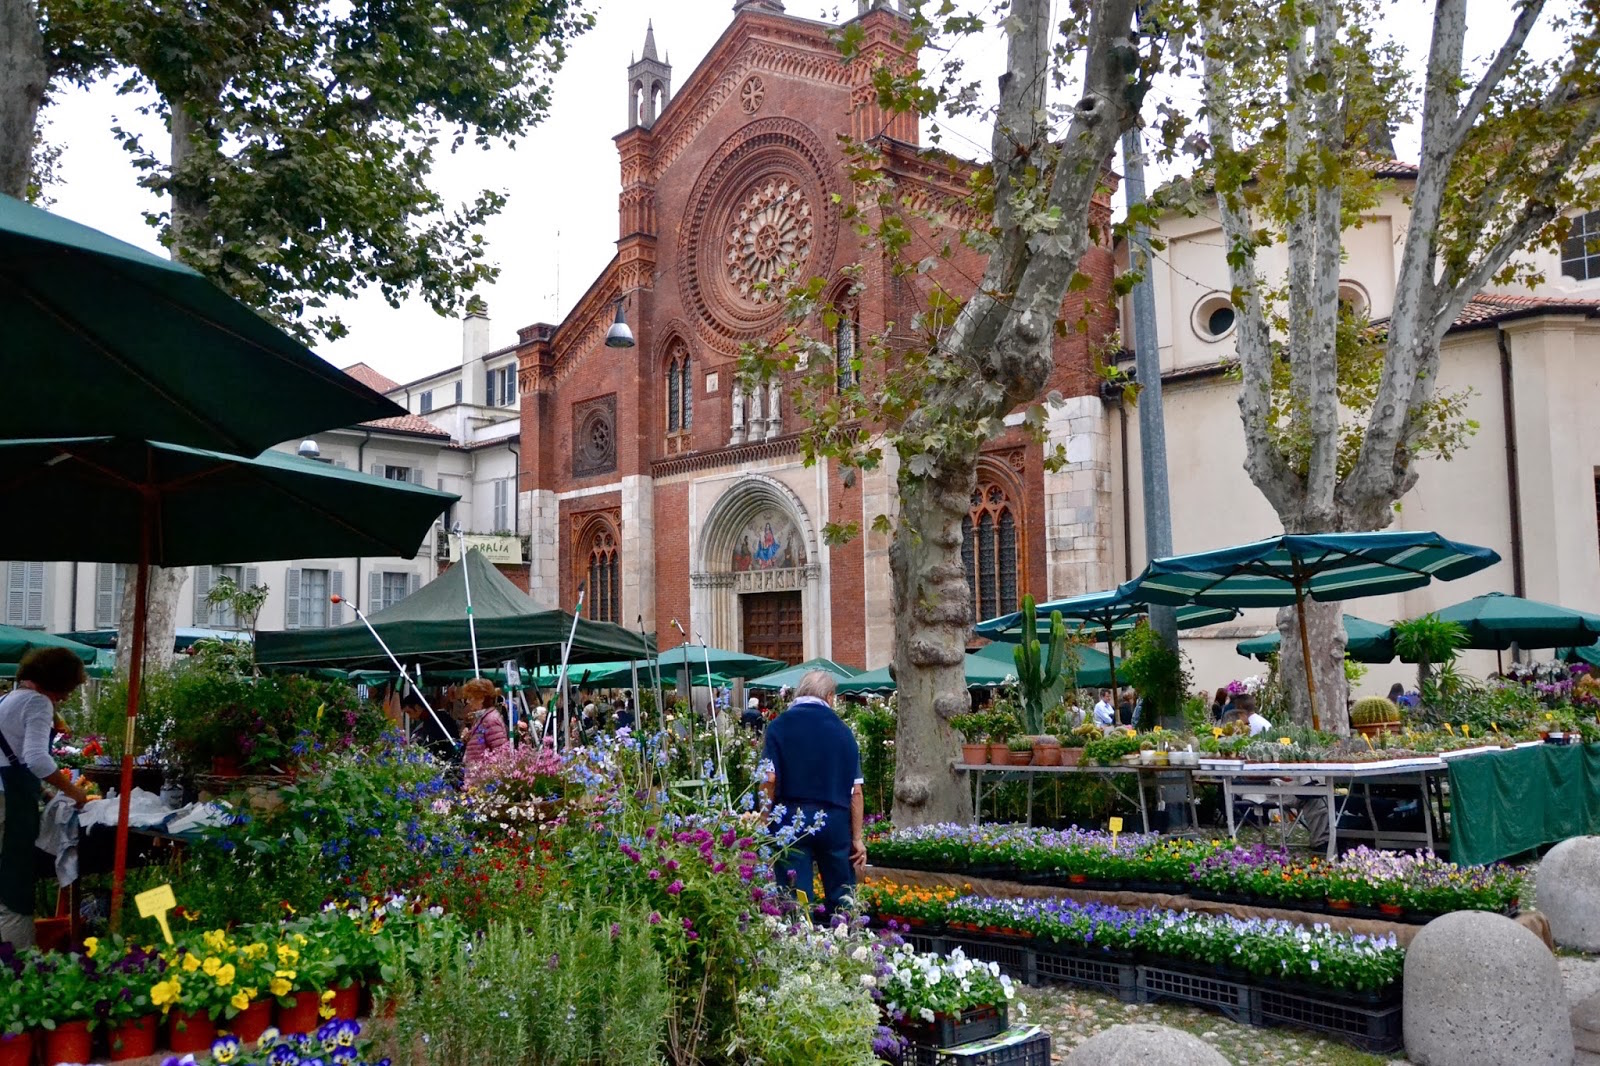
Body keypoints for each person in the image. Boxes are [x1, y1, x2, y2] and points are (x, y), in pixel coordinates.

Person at [0, 648, 90, 947]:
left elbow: (10, 756)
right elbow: (36, 759)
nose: (64, 698)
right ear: (56, 681)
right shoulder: (37, 703)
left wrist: (43, 790)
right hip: (8, 804)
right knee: (13, 888)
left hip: (10, 792)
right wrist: (73, 791)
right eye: (67, 689)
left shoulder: (7, 700)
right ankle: (20, 968)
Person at [760, 670, 866, 916]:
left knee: (795, 894)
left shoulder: (779, 726)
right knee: (842, 892)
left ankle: (799, 938)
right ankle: (845, 938)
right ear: (829, 697)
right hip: (835, 821)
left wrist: (765, 818)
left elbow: (769, 778)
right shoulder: (843, 731)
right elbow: (856, 791)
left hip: (790, 818)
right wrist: (857, 838)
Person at [459, 677, 509, 785]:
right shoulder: (483, 718)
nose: (468, 701)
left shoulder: (491, 720)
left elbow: (501, 754)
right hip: (477, 782)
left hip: (484, 783)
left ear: (481, 698)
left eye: (471, 698)